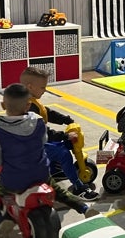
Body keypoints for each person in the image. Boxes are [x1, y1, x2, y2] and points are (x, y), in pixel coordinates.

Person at [0, 84, 98, 237]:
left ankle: (0, 219)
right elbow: (43, 142)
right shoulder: (38, 122)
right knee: (60, 192)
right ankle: (84, 208)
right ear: (28, 105)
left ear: (3, 105)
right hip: (40, 174)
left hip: (13, 181)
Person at [20, 67, 100, 201]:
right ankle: (78, 187)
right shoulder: (27, 106)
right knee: (63, 152)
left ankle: (54, 170)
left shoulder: (32, 100)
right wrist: (64, 135)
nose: (45, 90)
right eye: (42, 87)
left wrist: (65, 119)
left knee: (60, 145)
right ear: (30, 86)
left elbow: (46, 112)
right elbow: (43, 132)